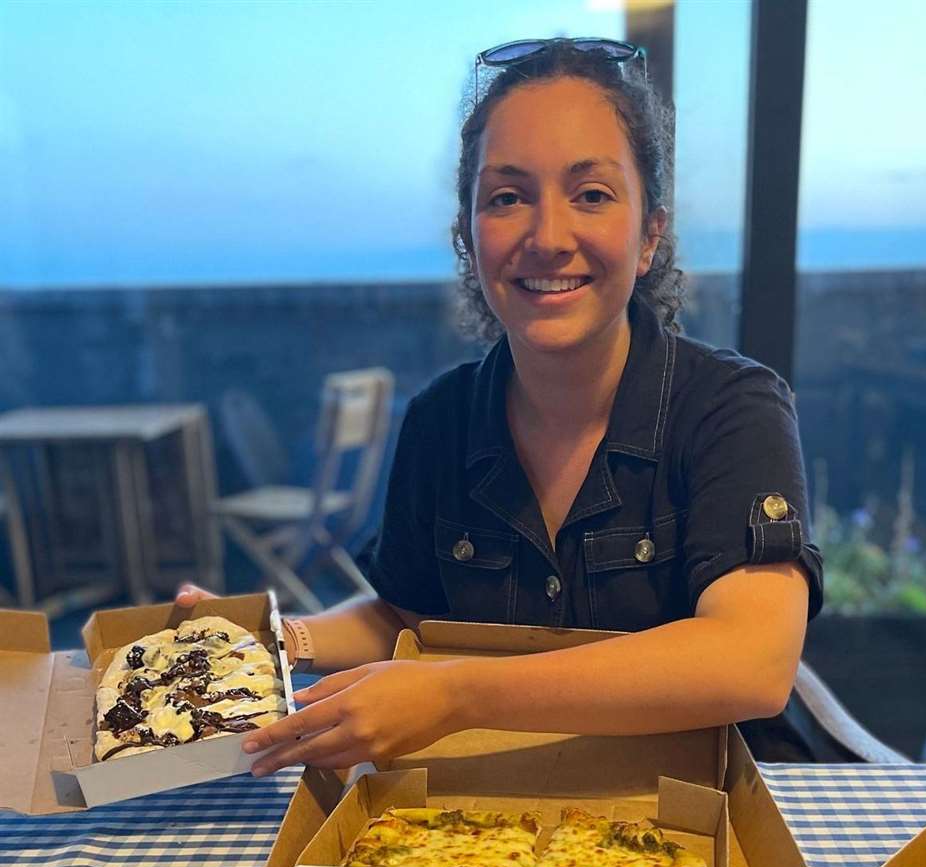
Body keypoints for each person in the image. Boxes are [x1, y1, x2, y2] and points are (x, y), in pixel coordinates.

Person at [179, 37, 822, 776]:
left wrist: (457, 693)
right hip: (499, 806)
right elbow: (410, 615)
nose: (549, 238)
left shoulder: (730, 409)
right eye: (507, 197)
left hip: (698, 809)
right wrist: (279, 638)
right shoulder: (442, 420)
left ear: (650, 234)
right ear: (467, 239)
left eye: (591, 194)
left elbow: (751, 661)